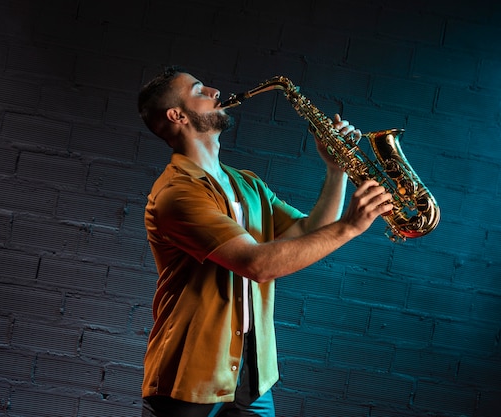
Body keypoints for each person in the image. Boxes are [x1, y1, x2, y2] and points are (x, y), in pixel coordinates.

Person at [137, 65, 392, 417]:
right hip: (189, 381)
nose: (214, 90)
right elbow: (257, 264)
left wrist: (336, 171)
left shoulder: (248, 184)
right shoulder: (176, 193)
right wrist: (350, 227)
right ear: (177, 115)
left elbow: (309, 230)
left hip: (252, 379)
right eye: (199, 90)